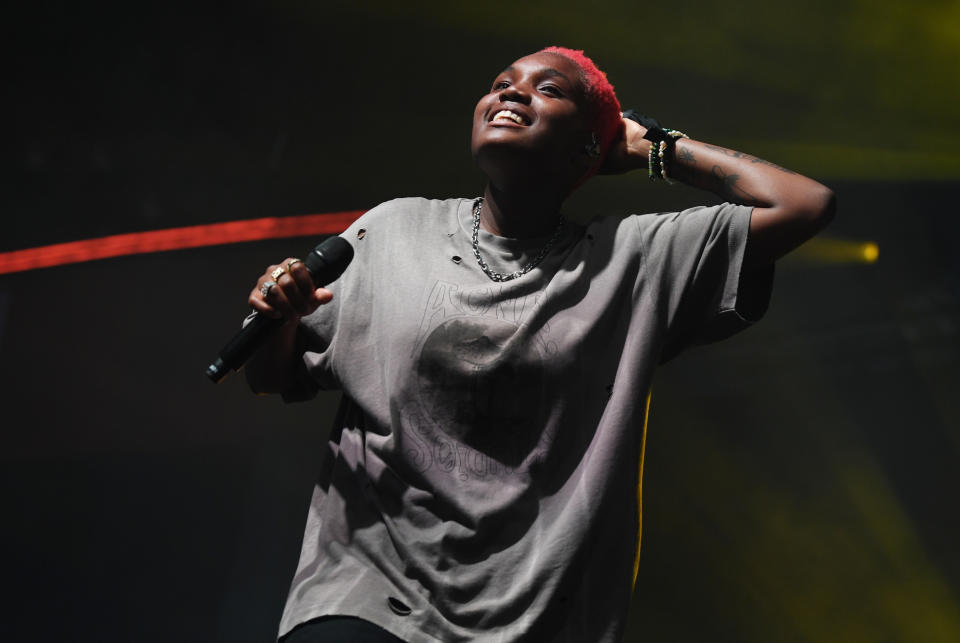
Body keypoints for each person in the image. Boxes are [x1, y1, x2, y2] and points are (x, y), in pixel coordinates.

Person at [244, 47, 835, 643]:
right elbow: (273, 376)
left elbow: (803, 204)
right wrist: (280, 317)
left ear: (589, 149)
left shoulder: (632, 260)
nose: (512, 92)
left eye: (548, 89)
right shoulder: (394, 230)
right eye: (502, 82)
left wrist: (649, 147)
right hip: (366, 597)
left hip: (530, 620)